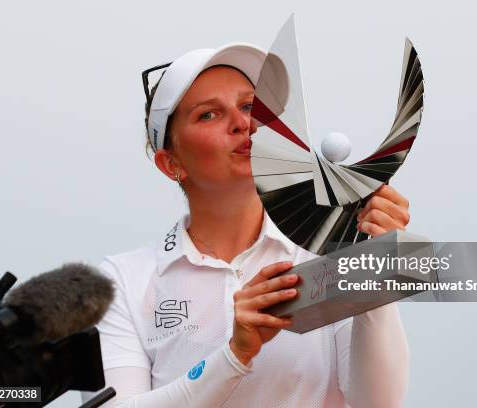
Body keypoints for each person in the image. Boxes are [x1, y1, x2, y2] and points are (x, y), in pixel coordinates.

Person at [87, 42, 411, 408]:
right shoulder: (121, 282)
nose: (243, 123)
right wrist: (233, 356)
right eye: (209, 114)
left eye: (248, 107)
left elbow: (379, 402)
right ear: (171, 164)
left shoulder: (329, 251)